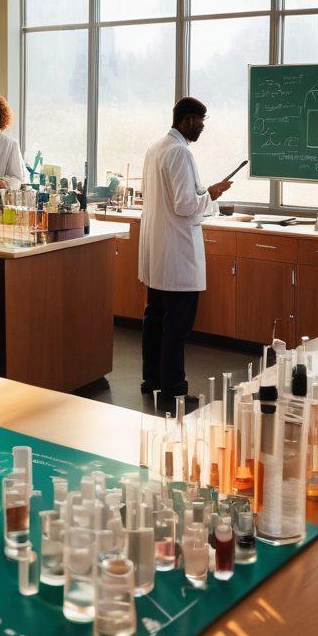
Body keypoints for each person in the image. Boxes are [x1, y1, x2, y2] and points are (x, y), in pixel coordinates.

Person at [138, 97, 233, 412]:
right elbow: (184, 205)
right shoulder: (180, 152)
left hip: (157, 251)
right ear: (189, 120)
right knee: (177, 326)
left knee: (154, 319)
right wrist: (212, 194)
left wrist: (202, 194)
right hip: (176, 254)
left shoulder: (156, 148)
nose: (203, 127)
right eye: (202, 121)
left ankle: (151, 380)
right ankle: (173, 391)